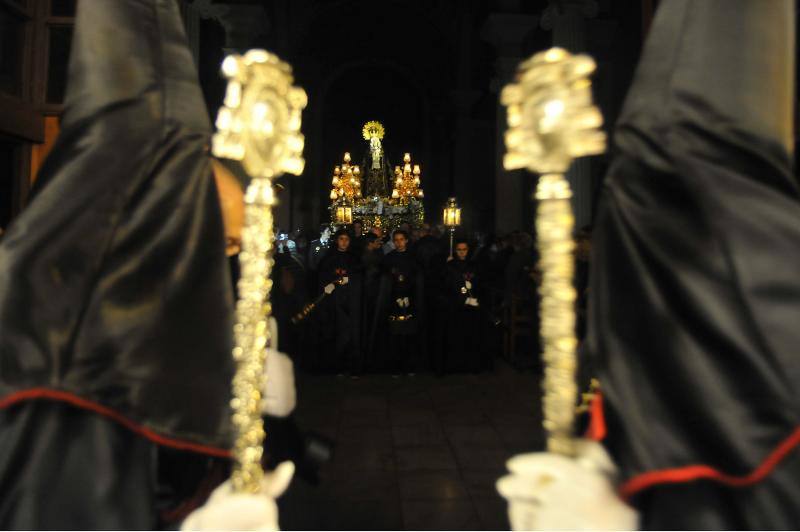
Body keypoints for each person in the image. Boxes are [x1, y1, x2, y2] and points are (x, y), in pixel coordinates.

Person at [374, 229, 425, 376]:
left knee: (409, 335)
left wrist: (411, 295)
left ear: (406, 240)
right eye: (396, 240)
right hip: (392, 302)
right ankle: (394, 366)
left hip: (410, 302)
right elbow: (384, 279)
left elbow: (418, 280)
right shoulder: (388, 258)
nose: (399, 242)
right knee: (394, 334)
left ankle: (409, 366)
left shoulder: (413, 258)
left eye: (401, 239)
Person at [315, 229, 362, 375]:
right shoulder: (329, 258)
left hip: (350, 301)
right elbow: (323, 276)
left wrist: (349, 280)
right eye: (341, 239)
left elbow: (360, 276)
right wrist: (327, 285)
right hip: (334, 303)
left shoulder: (354, 258)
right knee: (336, 332)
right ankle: (337, 366)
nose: (344, 242)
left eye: (346, 239)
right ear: (337, 240)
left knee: (350, 333)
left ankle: (351, 366)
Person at [441, 240, 485, 374]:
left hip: (470, 307)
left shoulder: (474, 265)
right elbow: (447, 285)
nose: (461, 252)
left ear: (468, 250)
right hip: (456, 306)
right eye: (459, 249)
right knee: (456, 336)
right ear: (455, 250)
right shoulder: (450, 266)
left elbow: (478, 283)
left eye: (464, 249)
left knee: (470, 335)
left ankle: (470, 364)